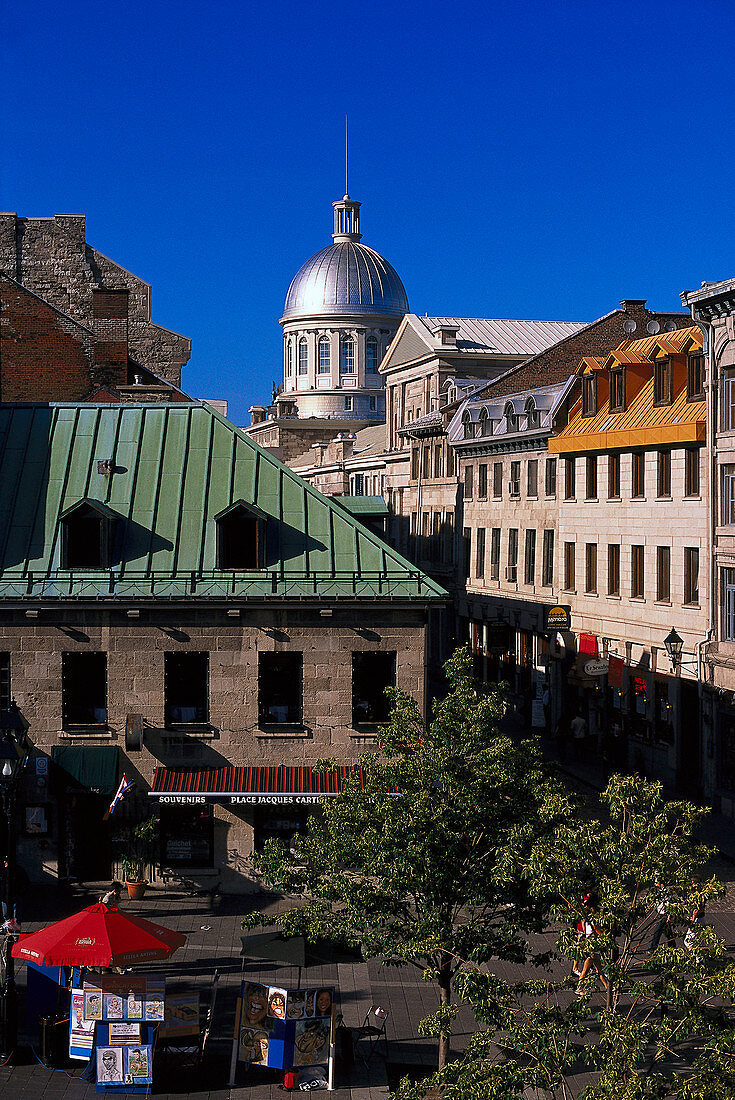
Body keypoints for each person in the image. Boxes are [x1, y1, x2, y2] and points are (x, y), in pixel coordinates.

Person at [648, 880, 676, 953]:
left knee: (657, 931)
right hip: (660, 914)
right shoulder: (658, 892)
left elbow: (668, 904)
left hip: (664, 915)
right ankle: (672, 946)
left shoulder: (665, 893)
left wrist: (669, 916)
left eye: (656, 883)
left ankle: (653, 948)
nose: (654, 884)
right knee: (668, 932)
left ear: (661, 883)